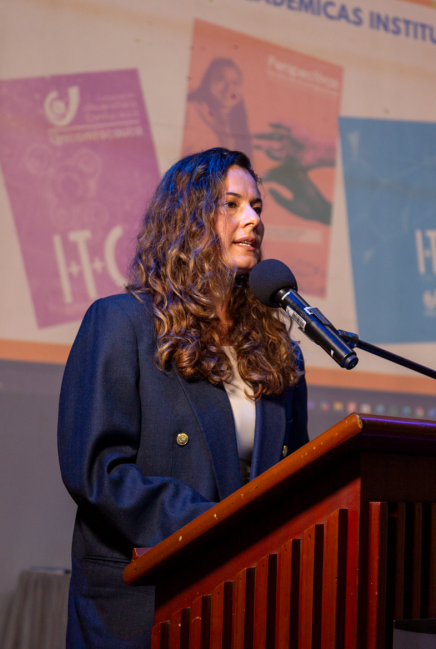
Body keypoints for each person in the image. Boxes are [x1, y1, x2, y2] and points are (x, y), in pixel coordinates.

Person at [57, 148, 309, 649]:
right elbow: (98, 472)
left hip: (247, 601)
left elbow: (295, 479)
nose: (253, 219)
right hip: (145, 600)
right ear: (188, 220)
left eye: (257, 206)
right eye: (232, 204)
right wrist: (214, 525)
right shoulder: (121, 323)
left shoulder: (279, 354)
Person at [183, 58, 253, 156]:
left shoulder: (236, 125)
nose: (229, 87)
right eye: (221, 80)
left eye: (235, 82)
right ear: (208, 82)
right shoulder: (190, 110)